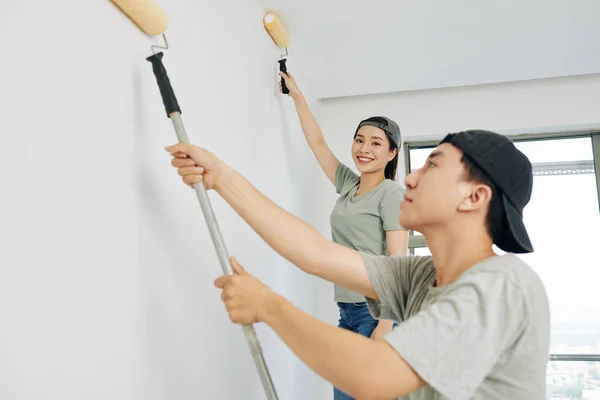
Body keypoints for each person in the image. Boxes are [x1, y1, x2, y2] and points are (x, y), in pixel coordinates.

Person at [165, 129, 551, 399]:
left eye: (432, 166)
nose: (411, 178)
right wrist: (221, 177)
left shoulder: (503, 283)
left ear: (474, 197)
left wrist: (268, 305)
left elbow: (373, 376)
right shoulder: (421, 276)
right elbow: (315, 253)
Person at [277, 71, 407, 398]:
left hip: (376, 312)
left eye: (376, 143)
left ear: (392, 153)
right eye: (359, 139)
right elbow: (317, 143)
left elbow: (398, 262)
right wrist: (297, 97)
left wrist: (387, 324)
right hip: (347, 312)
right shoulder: (350, 185)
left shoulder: (391, 193)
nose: (364, 148)